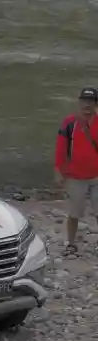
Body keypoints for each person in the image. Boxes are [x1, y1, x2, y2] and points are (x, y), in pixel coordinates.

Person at [54, 87, 98, 255]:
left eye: (91, 101)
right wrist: (58, 169)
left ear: (96, 104)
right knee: (74, 214)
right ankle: (70, 244)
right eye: (84, 101)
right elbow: (60, 148)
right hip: (75, 177)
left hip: (97, 176)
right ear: (79, 102)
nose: (87, 104)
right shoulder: (69, 122)